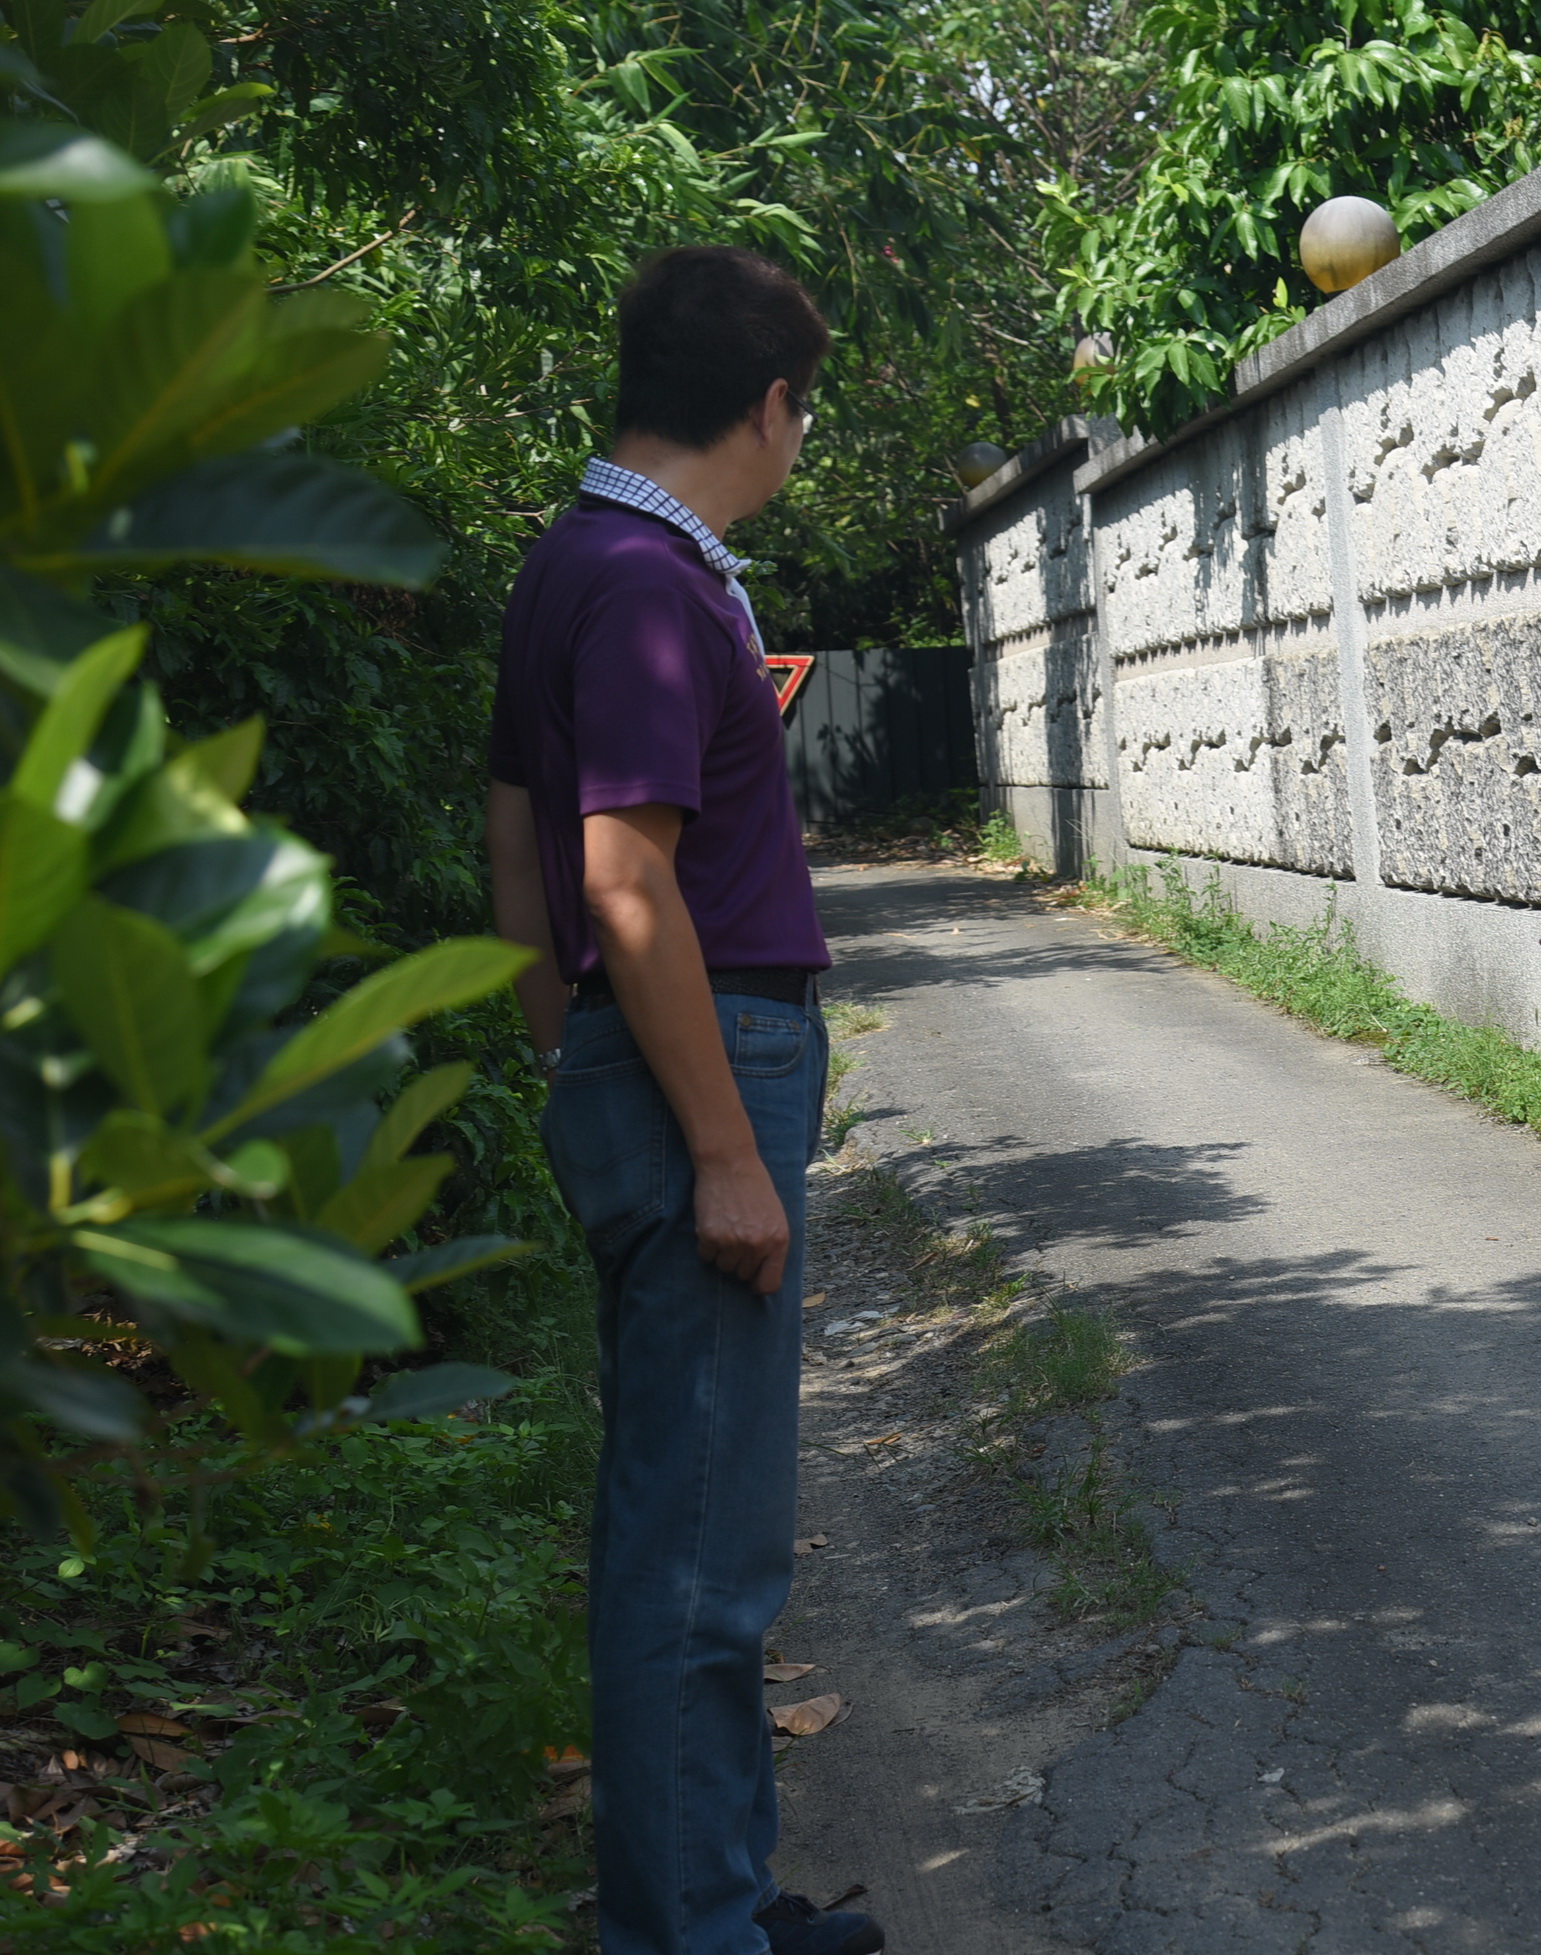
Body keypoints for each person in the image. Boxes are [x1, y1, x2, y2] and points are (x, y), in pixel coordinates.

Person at [487, 247, 881, 1954]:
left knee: (684, 1522)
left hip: (631, 1055)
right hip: (699, 1058)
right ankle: (687, 1937)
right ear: (771, 406)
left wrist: (551, 1033)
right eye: (807, 408)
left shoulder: (574, 561)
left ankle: (710, 1901)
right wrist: (721, 1151)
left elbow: (515, 832)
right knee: (705, 1557)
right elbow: (623, 886)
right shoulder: (651, 583)